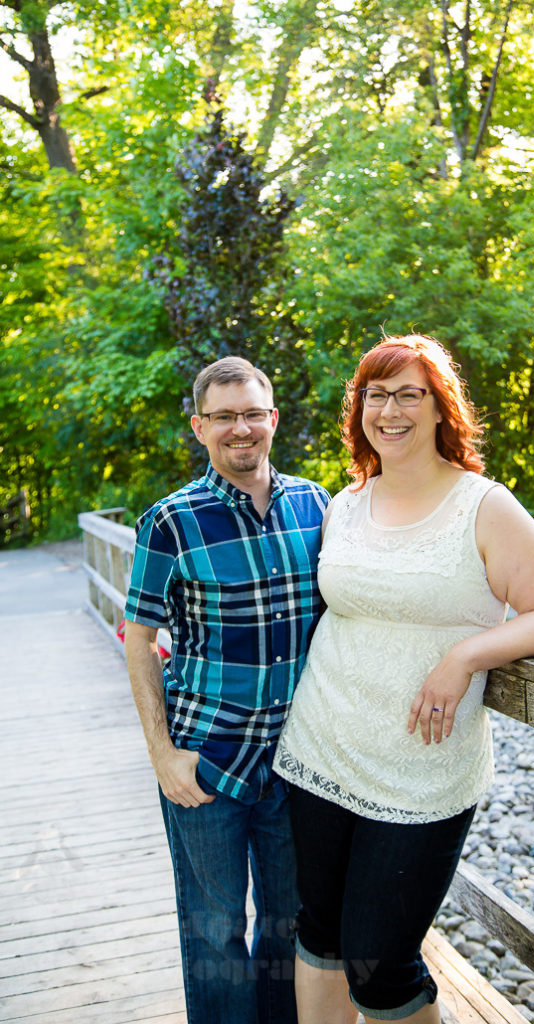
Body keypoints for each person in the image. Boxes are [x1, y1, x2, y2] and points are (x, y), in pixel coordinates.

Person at [274, 333, 534, 1024]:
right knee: (320, 934)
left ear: (440, 407)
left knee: (382, 964)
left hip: (421, 769)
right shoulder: (344, 503)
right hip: (320, 748)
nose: (389, 409)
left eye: (407, 393)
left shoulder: (482, 506)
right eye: (374, 394)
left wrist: (465, 655)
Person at [123, 356, 329, 1024]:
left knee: (287, 925)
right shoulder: (170, 522)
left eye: (251, 414)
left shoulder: (317, 504)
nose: (239, 429)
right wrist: (161, 754)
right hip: (206, 762)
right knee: (213, 930)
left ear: (273, 420)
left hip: (299, 763)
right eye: (222, 417)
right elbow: (138, 636)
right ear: (198, 427)